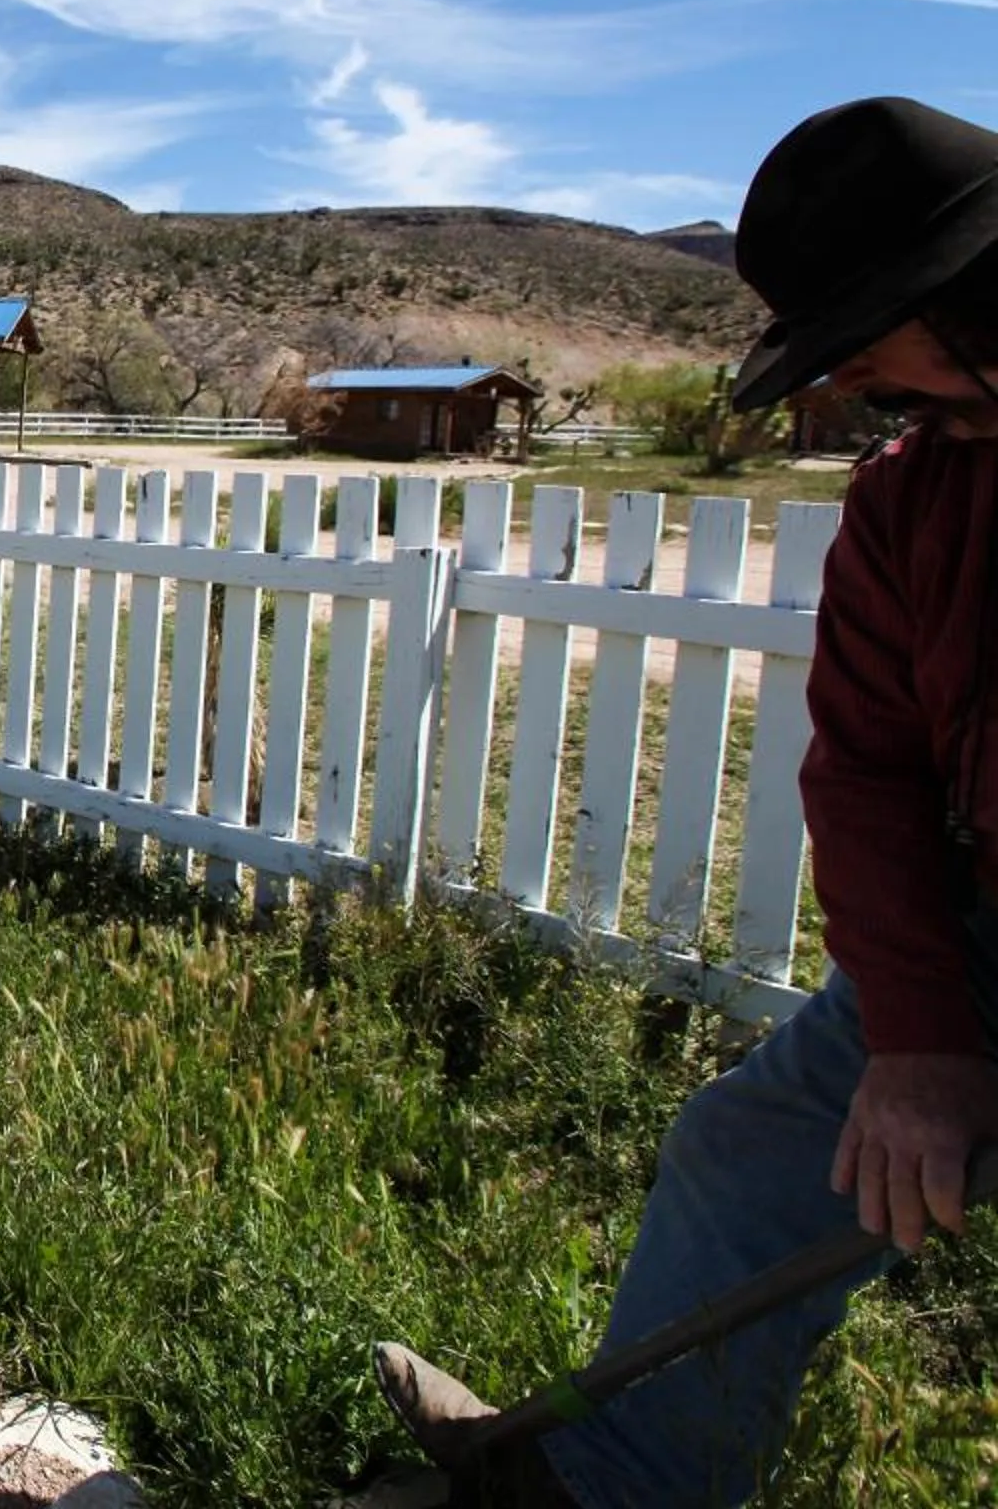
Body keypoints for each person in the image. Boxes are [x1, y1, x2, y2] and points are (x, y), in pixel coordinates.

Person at [375, 95, 998, 1507]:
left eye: (888, 365)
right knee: (746, 1147)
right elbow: (868, 774)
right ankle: (617, 1484)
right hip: (981, 941)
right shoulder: (914, 505)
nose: (878, 403)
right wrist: (919, 1037)